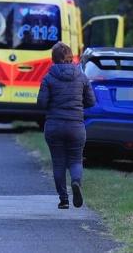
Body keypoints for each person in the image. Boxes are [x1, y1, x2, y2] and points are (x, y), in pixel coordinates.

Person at [36, 41, 95, 209]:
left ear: (53, 59)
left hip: (54, 125)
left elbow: (41, 103)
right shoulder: (81, 76)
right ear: (70, 57)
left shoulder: (48, 77)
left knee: (59, 162)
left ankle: (64, 199)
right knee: (76, 160)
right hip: (76, 126)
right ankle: (76, 182)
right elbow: (91, 101)